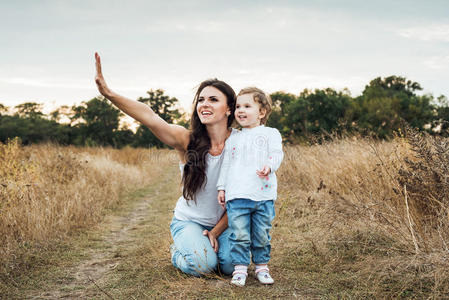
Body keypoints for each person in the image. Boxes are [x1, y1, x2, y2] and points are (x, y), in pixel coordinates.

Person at [94, 52, 236, 276]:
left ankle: (207, 248)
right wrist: (109, 93)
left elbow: (244, 196)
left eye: (213, 100)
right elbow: (149, 116)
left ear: (229, 109)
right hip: (190, 222)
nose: (204, 104)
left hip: (224, 224)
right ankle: (179, 251)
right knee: (202, 266)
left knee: (230, 266)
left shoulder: (241, 143)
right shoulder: (186, 139)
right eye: (201, 99)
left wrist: (216, 232)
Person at [216, 87, 284, 286]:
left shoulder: (271, 133)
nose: (240, 110)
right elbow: (226, 164)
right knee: (239, 234)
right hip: (237, 196)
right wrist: (222, 187)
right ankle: (240, 269)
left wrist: (269, 166)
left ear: (261, 112)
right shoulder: (234, 137)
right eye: (238, 106)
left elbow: (277, 154)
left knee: (261, 234)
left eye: (247, 106)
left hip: (263, 195)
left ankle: (262, 267)